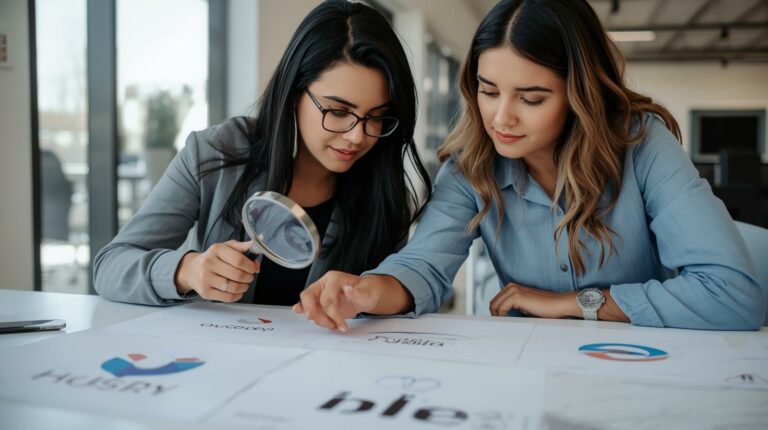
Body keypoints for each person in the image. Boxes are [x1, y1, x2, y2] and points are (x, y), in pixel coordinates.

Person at [294, 0, 764, 331]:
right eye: (488, 89)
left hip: (651, 364)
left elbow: (732, 295)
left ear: (581, 95)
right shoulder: (470, 163)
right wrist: (367, 290)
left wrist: (573, 305)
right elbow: (425, 265)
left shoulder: (641, 143)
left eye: (532, 98)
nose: (501, 118)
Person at [93, 0, 430, 307]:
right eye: (338, 112)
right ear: (294, 92)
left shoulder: (383, 188)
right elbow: (110, 266)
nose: (358, 136)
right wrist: (187, 270)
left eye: (376, 117)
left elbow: (394, 300)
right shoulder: (215, 155)